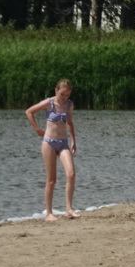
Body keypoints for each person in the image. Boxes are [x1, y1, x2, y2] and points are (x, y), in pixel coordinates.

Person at [25, 79, 79, 221]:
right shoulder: (49, 103)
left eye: (67, 95)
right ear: (56, 90)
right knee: (51, 180)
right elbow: (29, 112)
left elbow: (70, 123)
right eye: (62, 94)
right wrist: (37, 129)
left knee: (71, 174)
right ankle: (49, 213)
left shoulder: (69, 105)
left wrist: (73, 141)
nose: (64, 97)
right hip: (49, 143)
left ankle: (69, 209)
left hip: (63, 143)